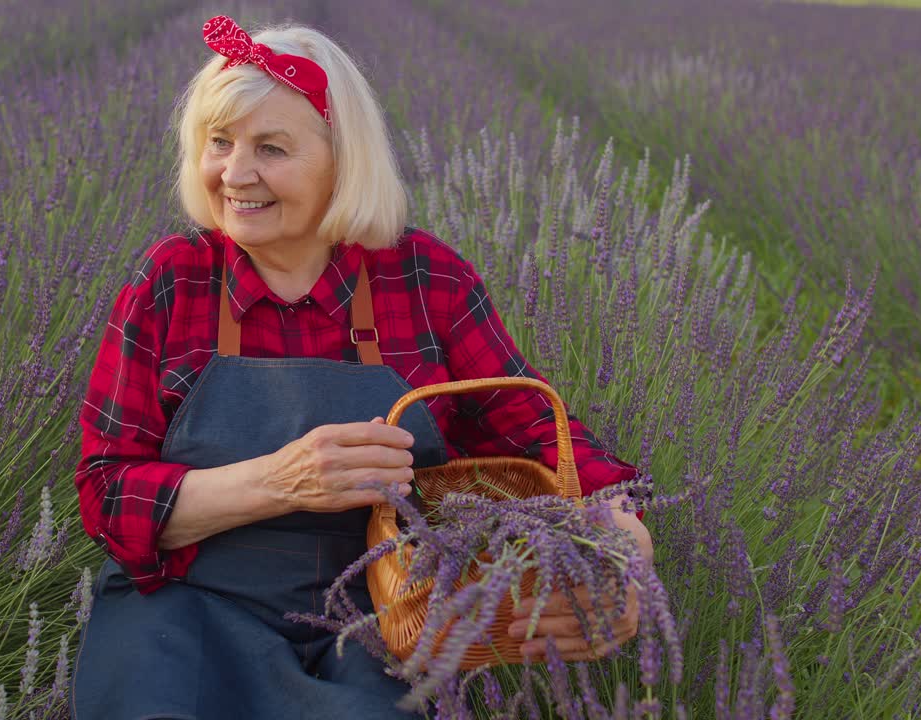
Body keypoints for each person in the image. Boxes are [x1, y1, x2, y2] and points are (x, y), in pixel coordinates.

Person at [71, 15, 653, 720]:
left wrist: (623, 553)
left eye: (271, 148)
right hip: (188, 606)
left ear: (343, 160)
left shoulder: (425, 279)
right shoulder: (174, 280)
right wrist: (278, 481)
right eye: (218, 143)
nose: (236, 173)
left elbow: (539, 433)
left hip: (383, 613)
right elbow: (108, 495)